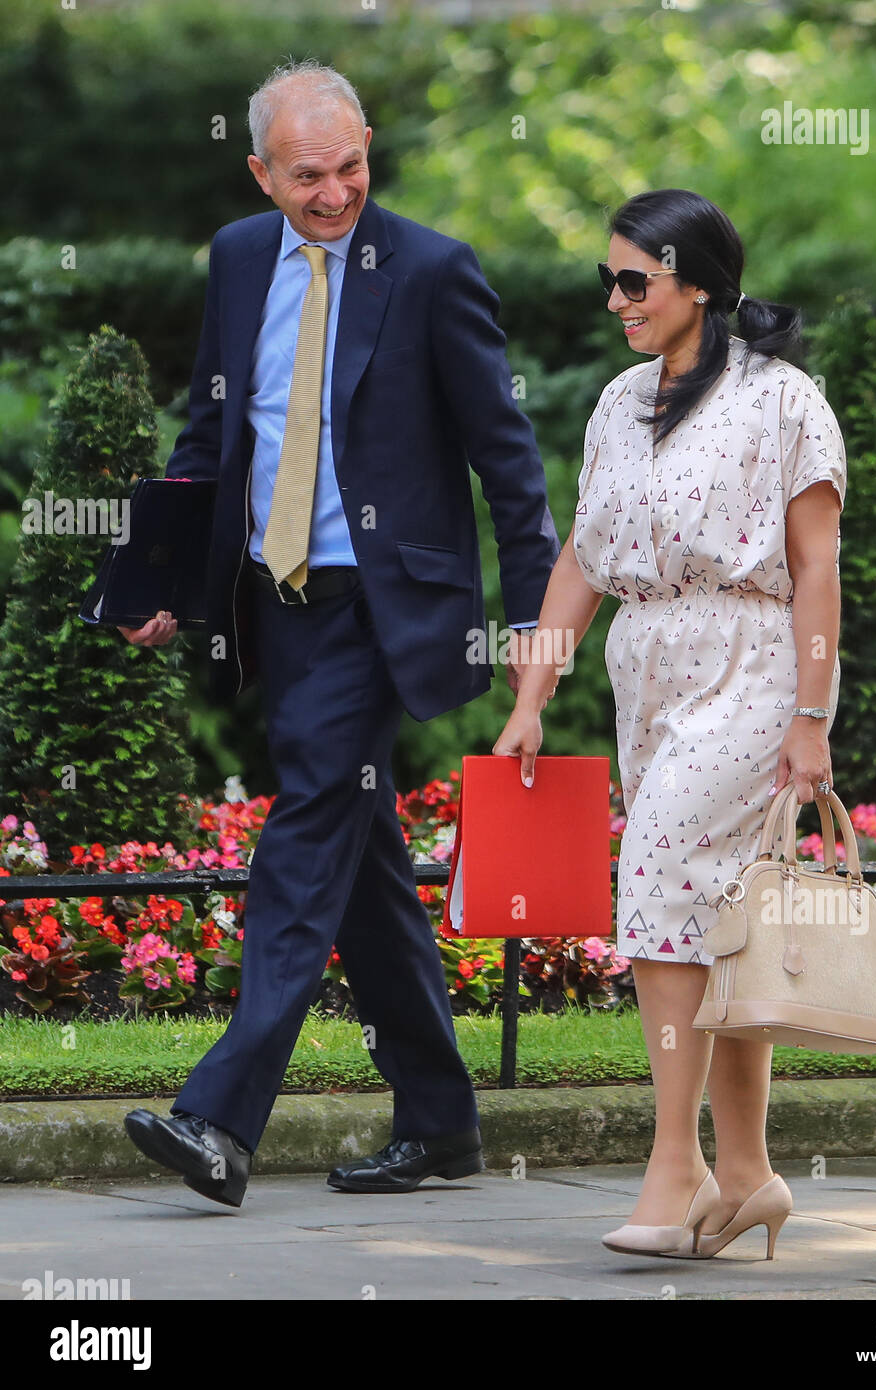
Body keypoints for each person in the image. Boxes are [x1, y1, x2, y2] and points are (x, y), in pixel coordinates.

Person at [118, 60, 560, 1207]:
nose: (334, 193)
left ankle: (219, 1119)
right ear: (260, 171)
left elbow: (509, 466)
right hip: (279, 604)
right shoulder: (233, 257)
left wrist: (536, 630)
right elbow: (215, 421)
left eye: (352, 165)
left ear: (370, 146)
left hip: (383, 607)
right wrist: (162, 575)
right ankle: (443, 1123)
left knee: (307, 828)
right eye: (308, 175)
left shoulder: (430, 269)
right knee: (361, 860)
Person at [494, 188, 846, 1260]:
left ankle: (675, 1165)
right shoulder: (616, 404)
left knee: (652, 877)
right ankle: (749, 1173)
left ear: (697, 282)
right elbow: (581, 561)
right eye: (609, 280)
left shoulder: (785, 399)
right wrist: (531, 697)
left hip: (749, 663)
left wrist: (811, 715)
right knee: (714, 919)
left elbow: (819, 564)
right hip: (645, 670)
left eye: (633, 280)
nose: (615, 300)